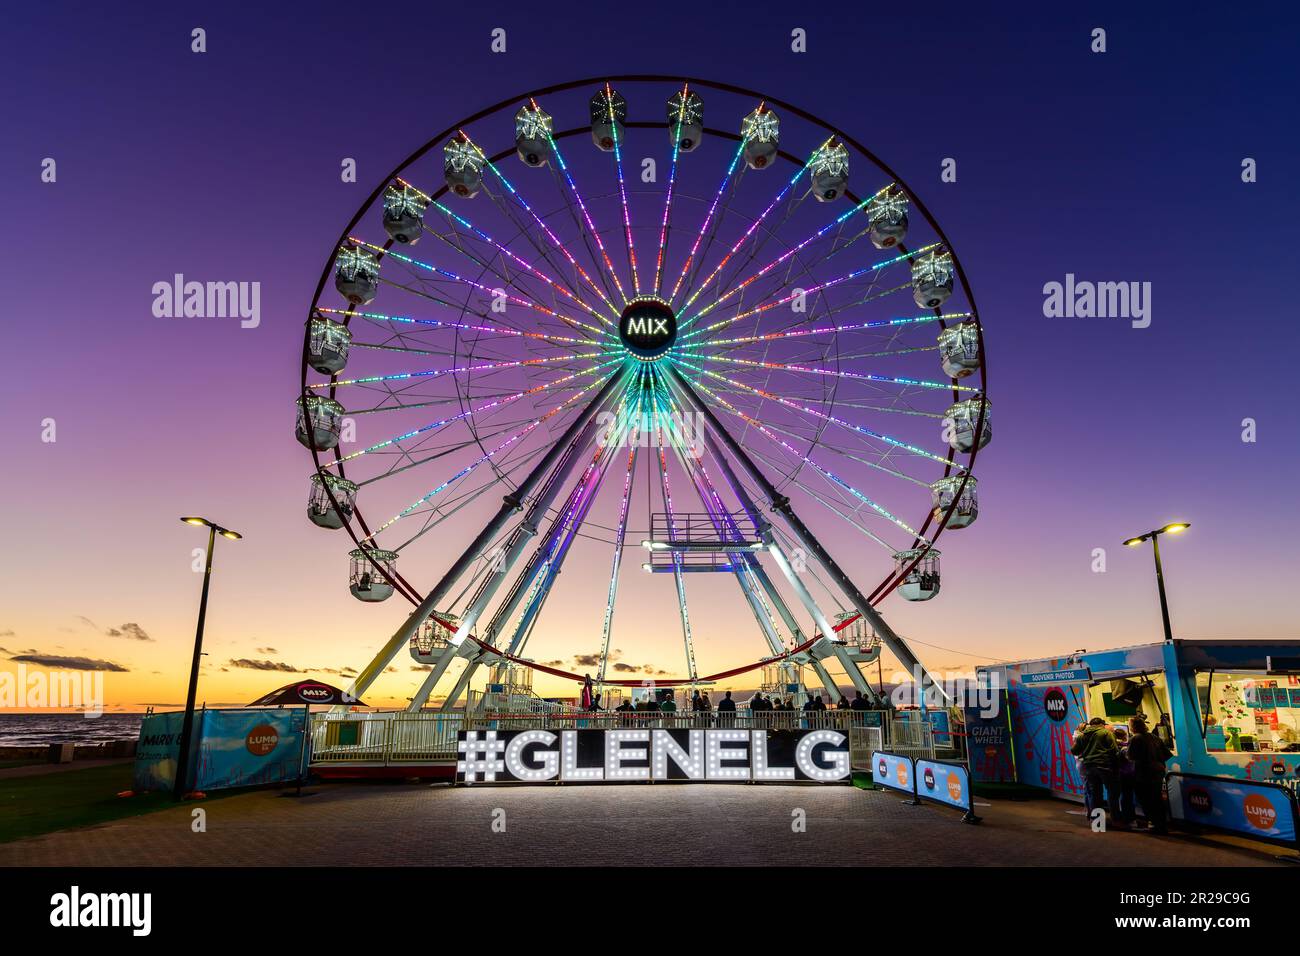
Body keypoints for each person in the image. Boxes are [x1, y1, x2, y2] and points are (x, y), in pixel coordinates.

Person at [1071, 717, 1125, 829]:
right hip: (1105, 766)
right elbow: (1114, 750)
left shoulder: (1082, 736)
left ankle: (1097, 822)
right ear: (1101, 724)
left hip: (1089, 767)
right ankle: (1116, 820)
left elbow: (1074, 751)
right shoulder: (1106, 733)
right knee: (1112, 792)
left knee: (1095, 795)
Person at [1126, 716, 1171, 835]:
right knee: (1157, 798)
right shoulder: (1154, 737)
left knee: (1146, 800)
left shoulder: (1135, 739)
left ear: (1133, 727)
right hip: (1158, 771)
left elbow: (1130, 756)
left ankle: (1154, 824)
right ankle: (1161, 824)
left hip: (1144, 774)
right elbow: (1166, 754)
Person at [1113, 727, 1138, 825]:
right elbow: (1130, 759)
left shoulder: (1114, 746)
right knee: (1128, 797)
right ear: (1124, 736)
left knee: (1123, 796)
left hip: (1119, 774)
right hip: (1128, 774)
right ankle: (1129, 818)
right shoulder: (1125, 748)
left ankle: (1124, 816)